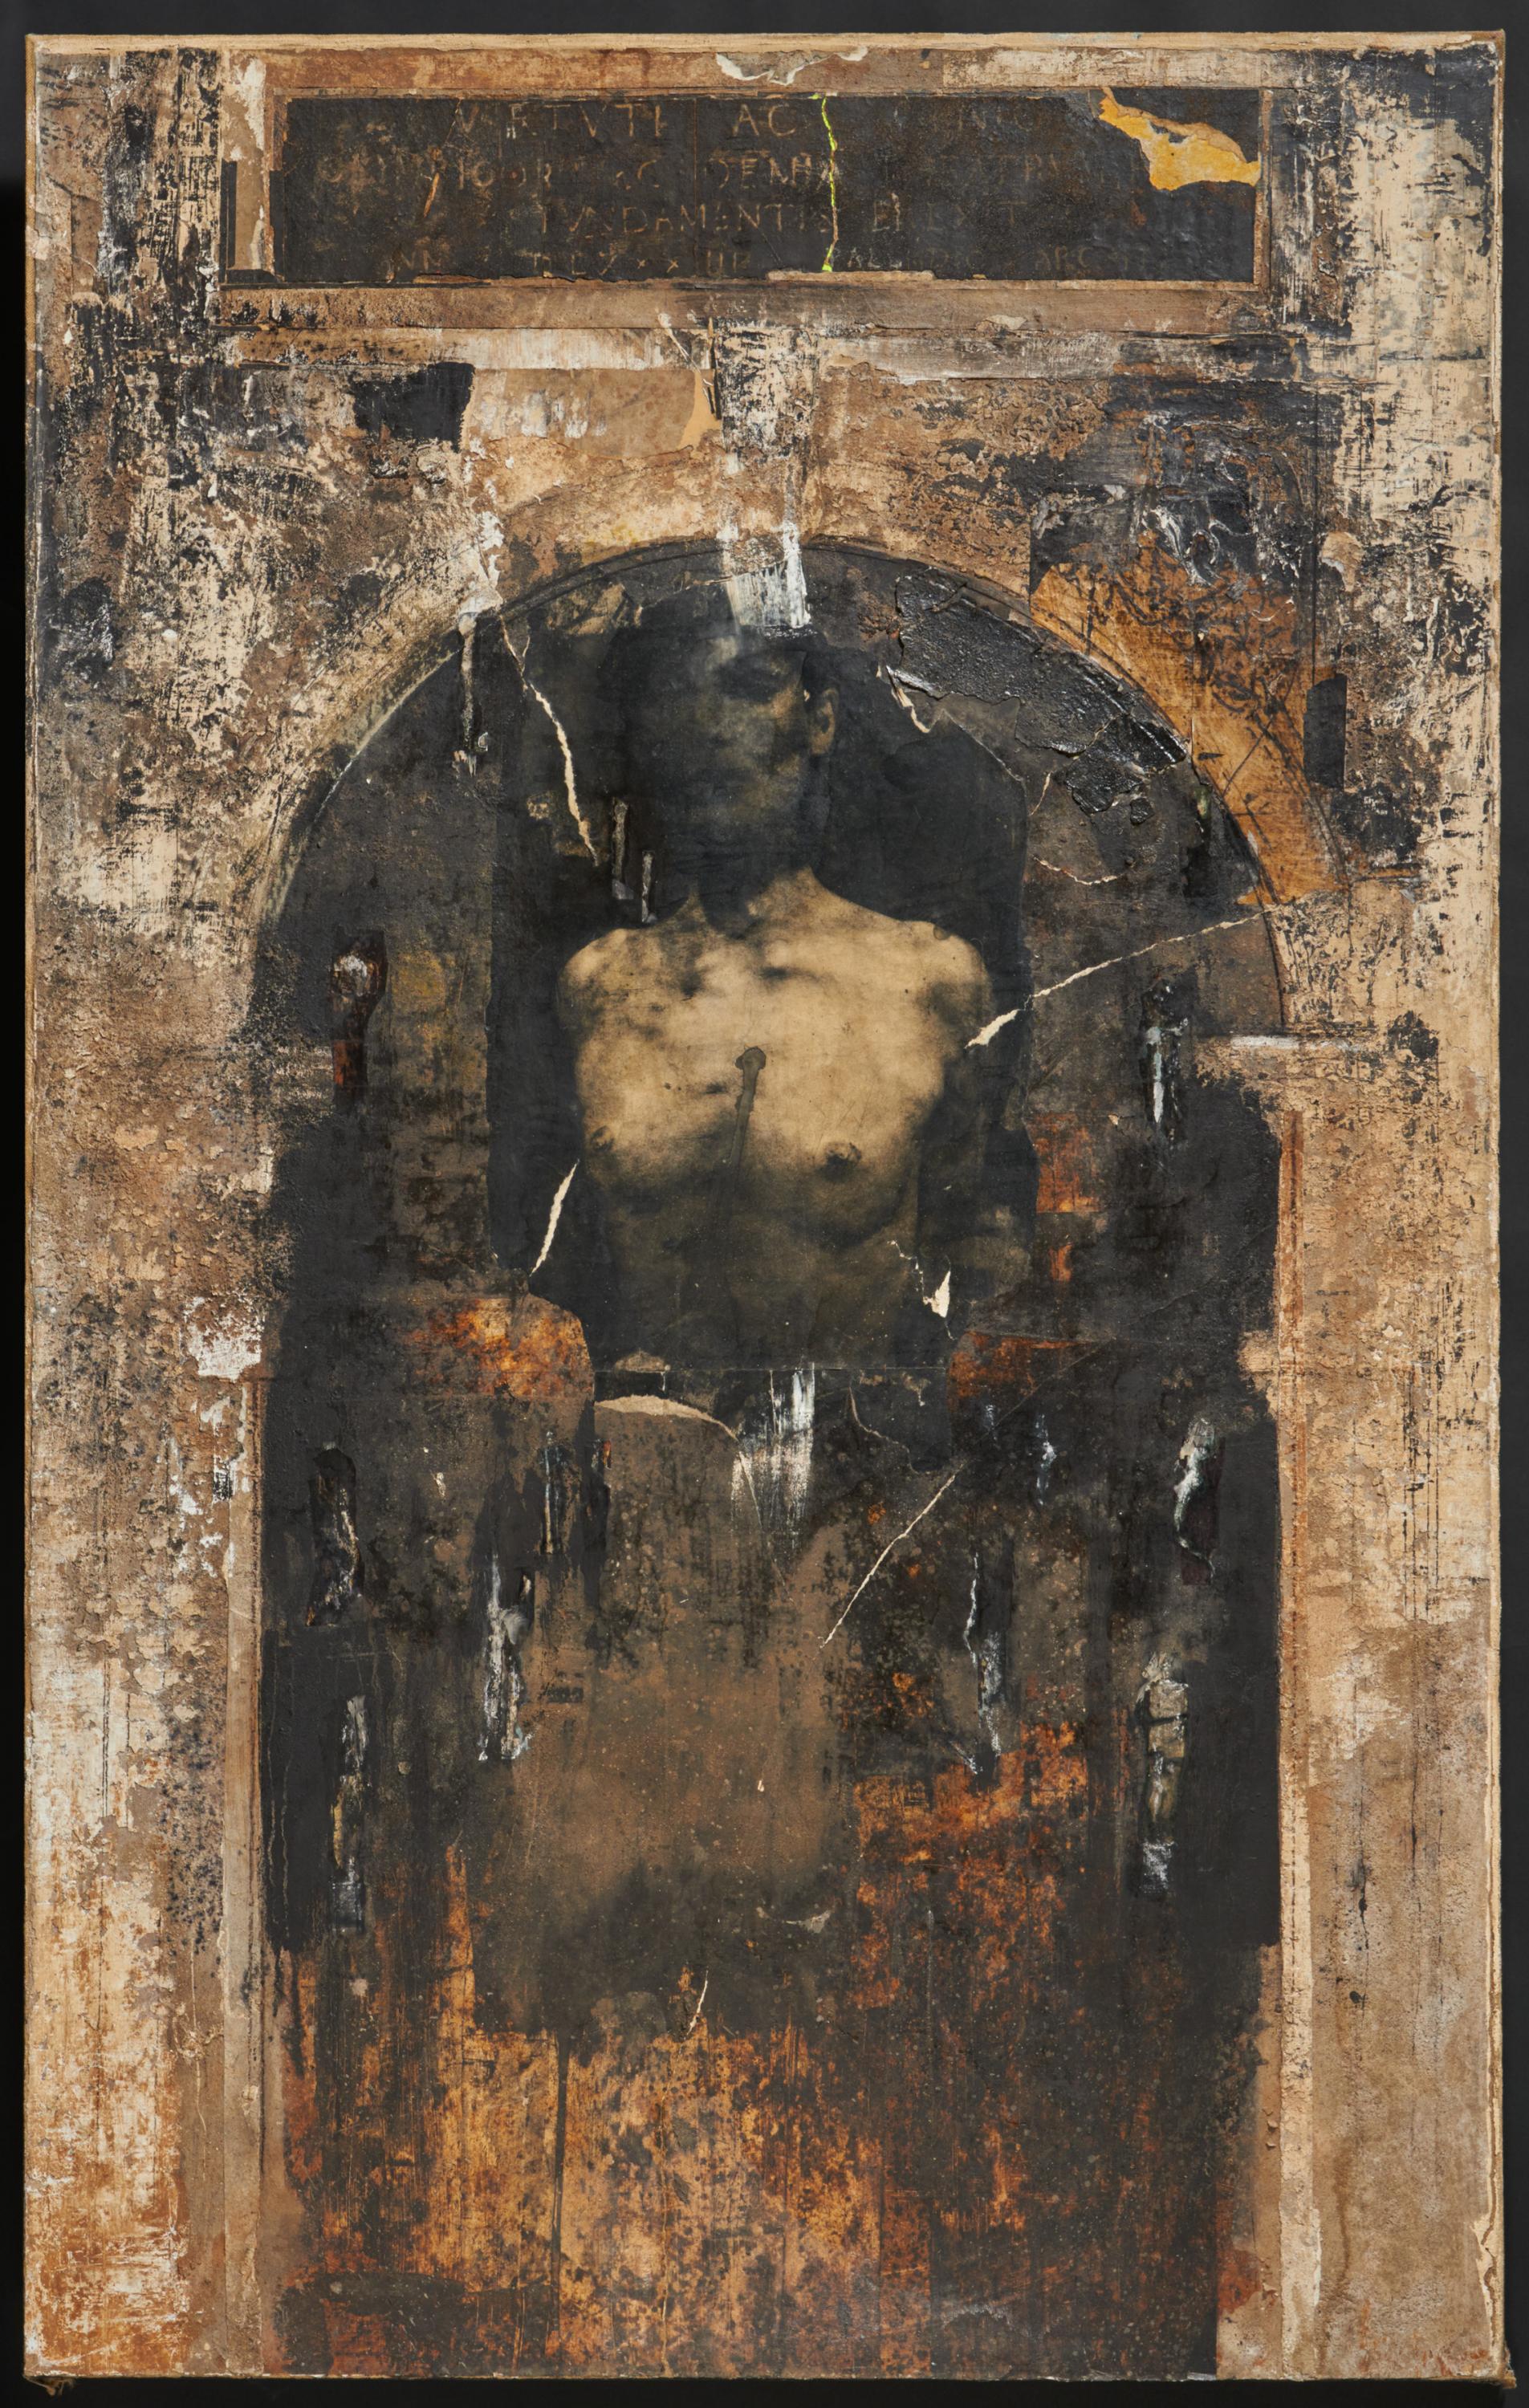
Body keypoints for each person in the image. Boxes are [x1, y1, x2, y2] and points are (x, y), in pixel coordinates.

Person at [553, 588, 1001, 1397]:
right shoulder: (601, 983)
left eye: (749, 687)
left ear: (818, 720)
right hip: (642, 1445)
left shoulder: (929, 980)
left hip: (845, 1447)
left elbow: (973, 1253)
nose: (713, 727)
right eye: (684, 697)